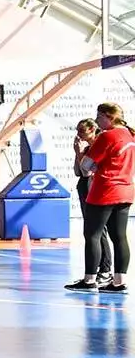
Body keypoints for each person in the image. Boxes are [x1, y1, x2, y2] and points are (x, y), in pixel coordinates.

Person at [66, 102, 134, 293]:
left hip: (105, 190)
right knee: (119, 236)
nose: (97, 121)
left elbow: (86, 166)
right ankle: (119, 280)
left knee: (92, 234)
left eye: (99, 117)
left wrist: (96, 167)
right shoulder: (129, 135)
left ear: (108, 117)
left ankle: (89, 280)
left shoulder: (107, 136)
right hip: (125, 190)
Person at [71, 118, 112, 285]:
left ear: (92, 130)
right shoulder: (87, 147)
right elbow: (78, 171)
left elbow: (87, 172)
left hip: (92, 185)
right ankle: (96, 269)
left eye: (82, 130)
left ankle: (105, 269)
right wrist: (77, 153)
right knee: (91, 229)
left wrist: (80, 153)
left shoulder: (96, 146)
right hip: (84, 185)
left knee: (98, 230)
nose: (79, 134)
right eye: (78, 130)